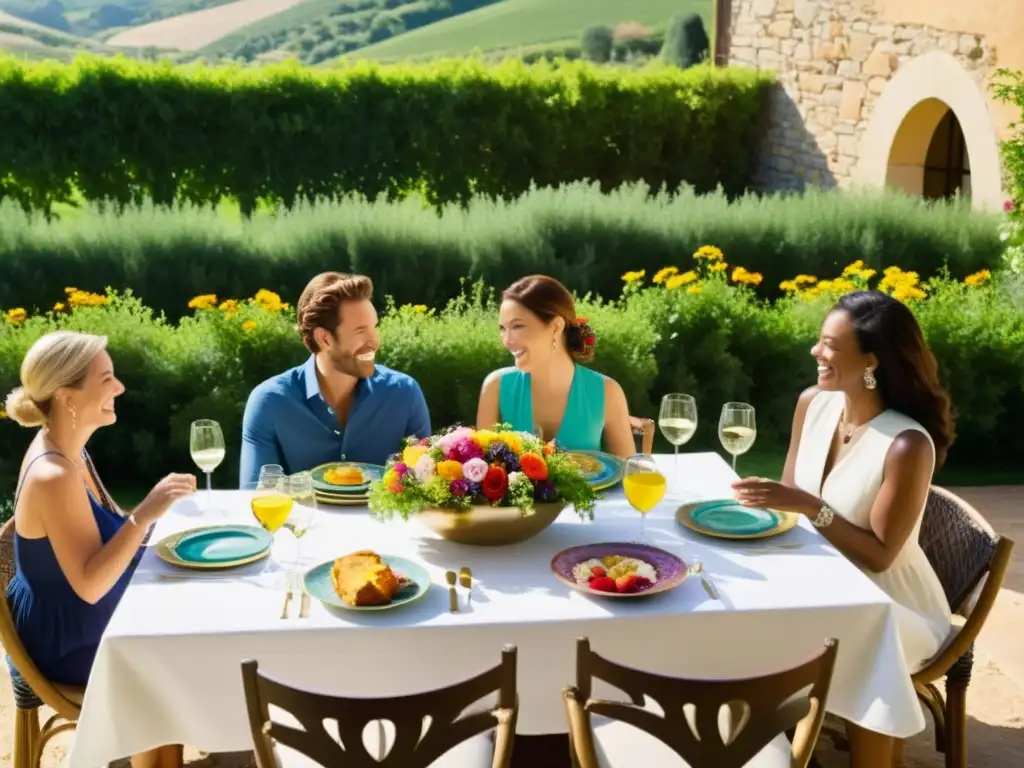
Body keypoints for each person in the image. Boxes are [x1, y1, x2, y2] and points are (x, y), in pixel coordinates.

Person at [731, 290, 955, 768]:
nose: (816, 352)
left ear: (870, 361)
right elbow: (789, 504)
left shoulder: (905, 445)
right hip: (821, 579)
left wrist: (812, 507)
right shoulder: (814, 404)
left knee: (843, 639)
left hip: (891, 608)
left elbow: (879, 555)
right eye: (819, 341)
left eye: (830, 345)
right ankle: (765, 745)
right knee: (734, 606)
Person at [4, 331, 194, 768]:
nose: (120, 388)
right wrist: (145, 513)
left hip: (75, 613)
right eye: (106, 378)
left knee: (187, 631)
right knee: (171, 668)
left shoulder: (73, 452)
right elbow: (89, 584)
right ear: (68, 397)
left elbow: (96, 542)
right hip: (64, 637)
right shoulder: (53, 473)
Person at [239, 272, 431, 486]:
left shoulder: (404, 394)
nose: (375, 342)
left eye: (374, 328)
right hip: (304, 520)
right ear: (324, 338)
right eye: (360, 331)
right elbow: (257, 495)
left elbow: (423, 489)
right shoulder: (270, 402)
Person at [476, 275, 635, 458]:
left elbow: (627, 471)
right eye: (503, 329)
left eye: (517, 326)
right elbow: (483, 471)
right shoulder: (495, 387)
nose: (507, 341)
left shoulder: (607, 392)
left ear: (555, 327)